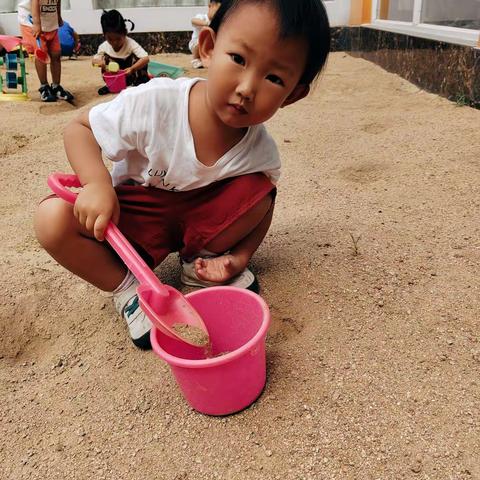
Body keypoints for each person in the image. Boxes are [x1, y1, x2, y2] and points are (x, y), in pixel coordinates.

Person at [34, 0, 330, 349]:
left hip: (199, 223)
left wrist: (240, 257)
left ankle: (199, 267)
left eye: (274, 78)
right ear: (207, 48)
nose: (248, 88)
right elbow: (80, 128)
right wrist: (97, 185)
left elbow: (264, 204)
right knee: (51, 220)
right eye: (238, 59)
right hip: (133, 218)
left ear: (292, 95)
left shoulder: (259, 151)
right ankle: (129, 289)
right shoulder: (156, 102)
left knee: (260, 189)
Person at [17, 0, 74, 102]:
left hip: (50, 21)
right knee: (41, 53)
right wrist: (37, 23)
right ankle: (44, 86)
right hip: (31, 20)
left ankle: (56, 86)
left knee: (56, 53)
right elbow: (35, 2)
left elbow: (58, 1)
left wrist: (59, 17)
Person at [94, 9, 149, 95]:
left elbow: (146, 58)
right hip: (115, 76)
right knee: (106, 58)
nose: (114, 42)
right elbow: (94, 62)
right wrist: (100, 63)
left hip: (131, 75)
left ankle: (139, 82)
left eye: (118, 39)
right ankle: (111, 85)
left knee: (141, 61)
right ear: (104, 35)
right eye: (110, 39)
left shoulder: (130, 44)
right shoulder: (104, 47)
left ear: (125, 33)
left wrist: (132, 68)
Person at [189, 0, 221, 68]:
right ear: (210, 6)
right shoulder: (202, 17)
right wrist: (206, 24)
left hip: (209, 46)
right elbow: (193, 21)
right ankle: (195, 59)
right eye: (217, 12)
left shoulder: (217, 23)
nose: (218, 15)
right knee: (201, 41)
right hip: (196, 44)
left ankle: (207, 59)